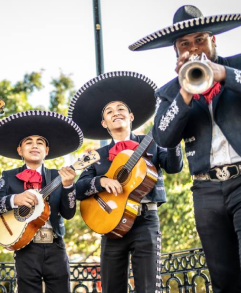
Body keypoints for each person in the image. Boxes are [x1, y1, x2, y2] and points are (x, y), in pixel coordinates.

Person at [130, 5, 241, 292]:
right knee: (223, 279)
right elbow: (163, 137)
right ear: (177, 52)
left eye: (200, 39)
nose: (194, 48)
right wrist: (185, 93)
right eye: (184, 44)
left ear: (213, 40)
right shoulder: (170, 92)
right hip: (206, 190)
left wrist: (223, 73)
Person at [69, 71, 183, 292]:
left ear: (131, 117)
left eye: (121, 109)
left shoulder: (153, 142)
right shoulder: (96, 154)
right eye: (109, 112)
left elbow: (174, 167)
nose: (116, 113)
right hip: (109, 223)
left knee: (149, 287)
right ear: (104, 123)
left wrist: (173, 137)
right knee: (112, 287)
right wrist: (101, 181)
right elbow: (79, 188)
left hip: (146, 220)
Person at [0, 110, 83, 293]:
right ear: (20, 150)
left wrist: (68, 187)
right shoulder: (9, 176)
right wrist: (14, 199)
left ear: (47, 151)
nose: (34, 146)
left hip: (55, 247)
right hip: (25, 248)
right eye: (28, 142)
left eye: (40, 143)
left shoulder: (57, 176)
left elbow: (68, 213)